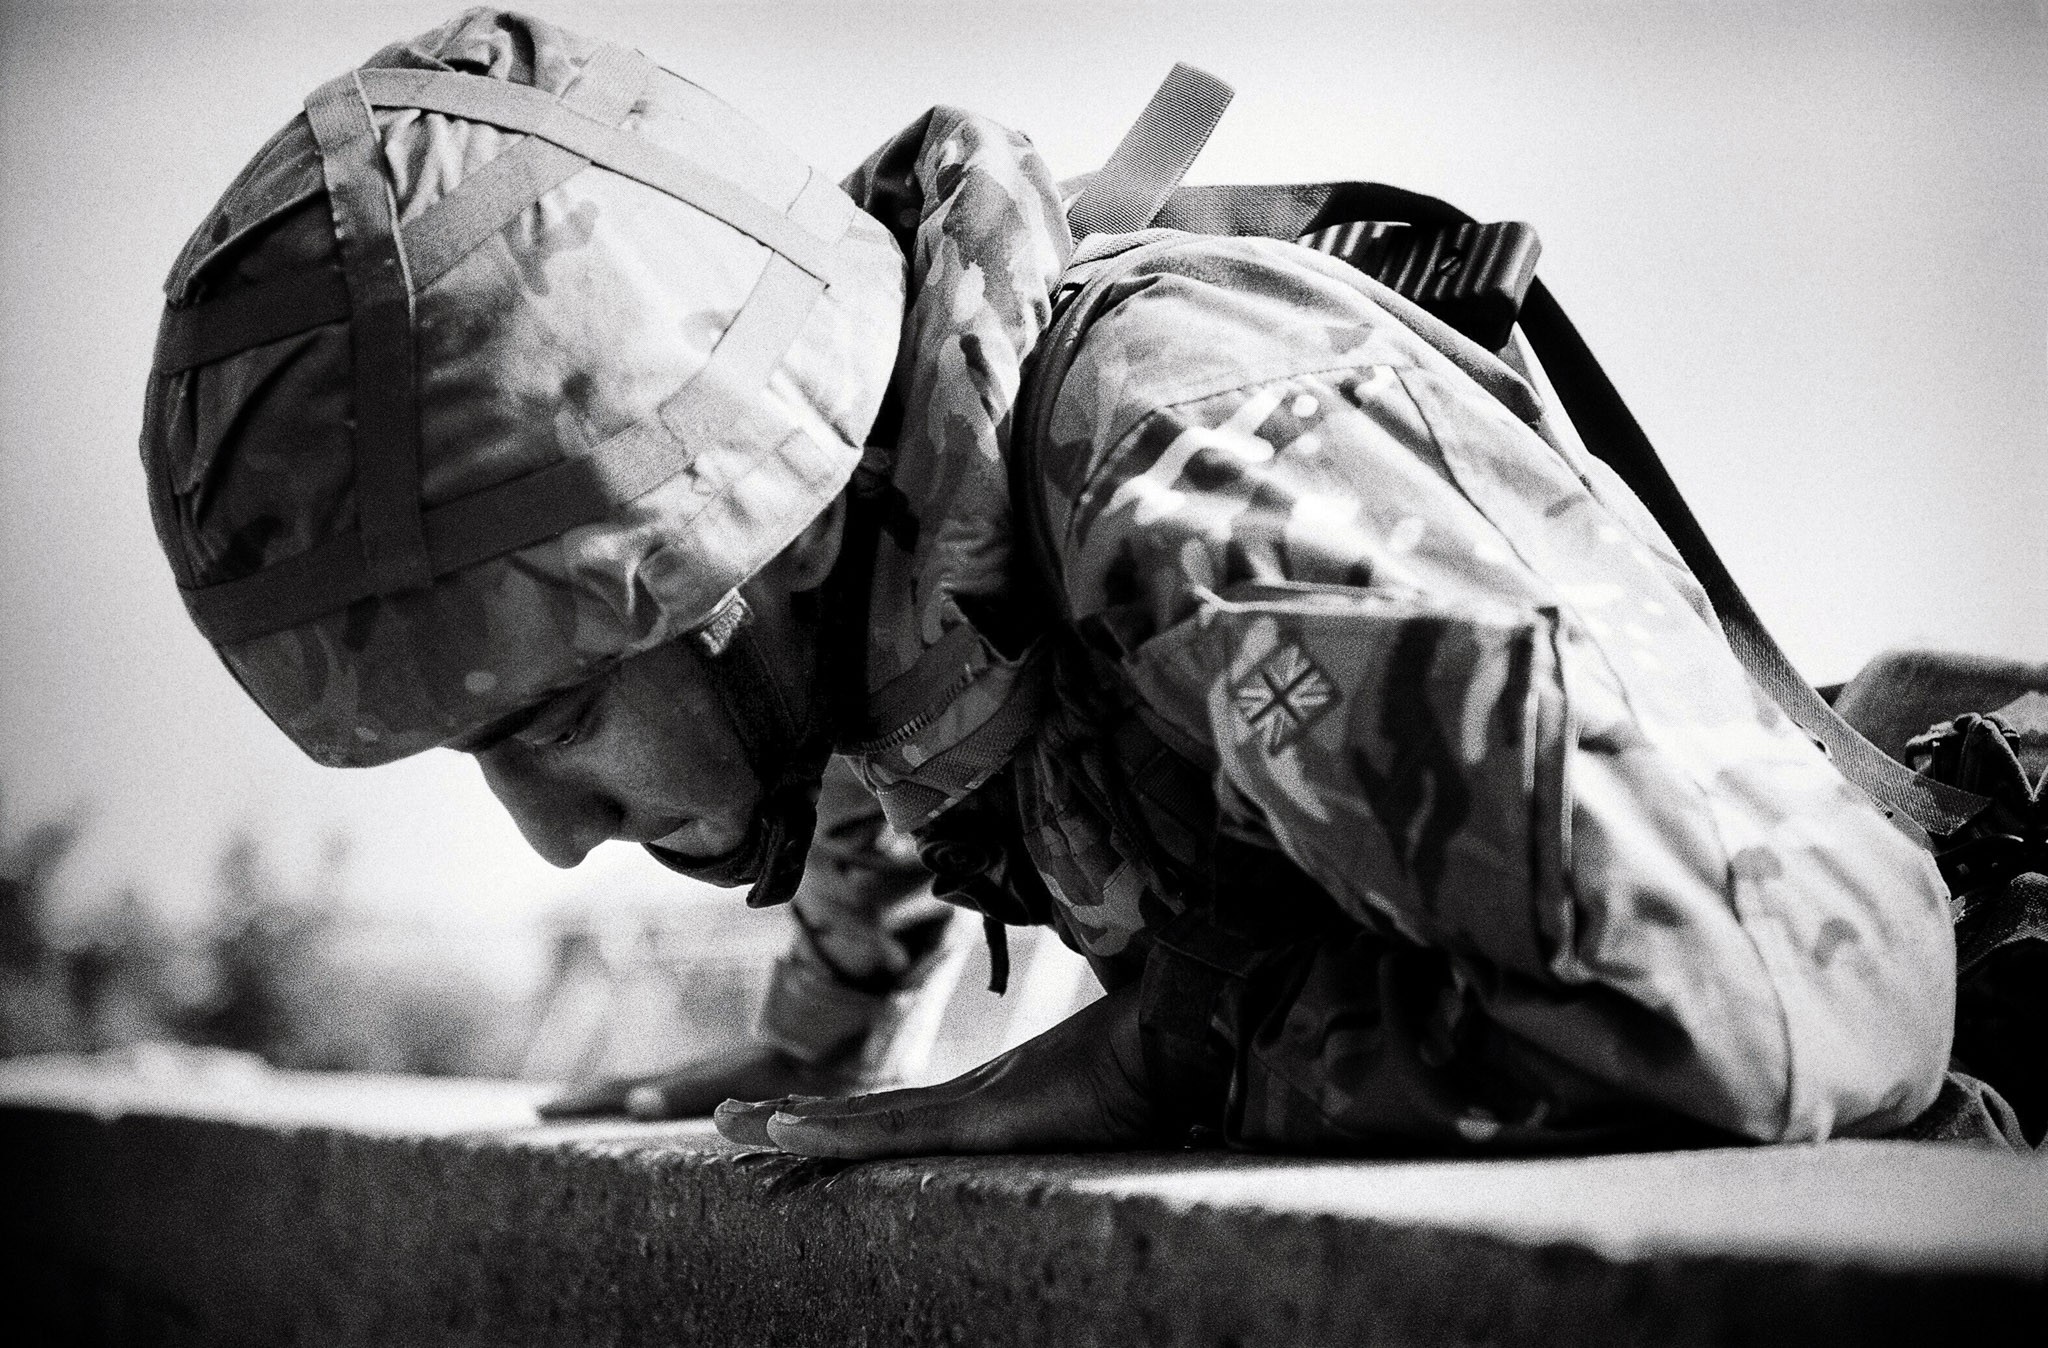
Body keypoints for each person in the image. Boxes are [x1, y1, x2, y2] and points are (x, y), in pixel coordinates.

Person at [140, 9, 1955, 1156]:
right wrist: (827, 1035)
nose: (546, 835)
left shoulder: (1179, 469)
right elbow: (887, 706)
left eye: (545, 722)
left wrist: (1180, 1052)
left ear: (738, 548)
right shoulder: (890, 518)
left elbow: (1782, 1012)